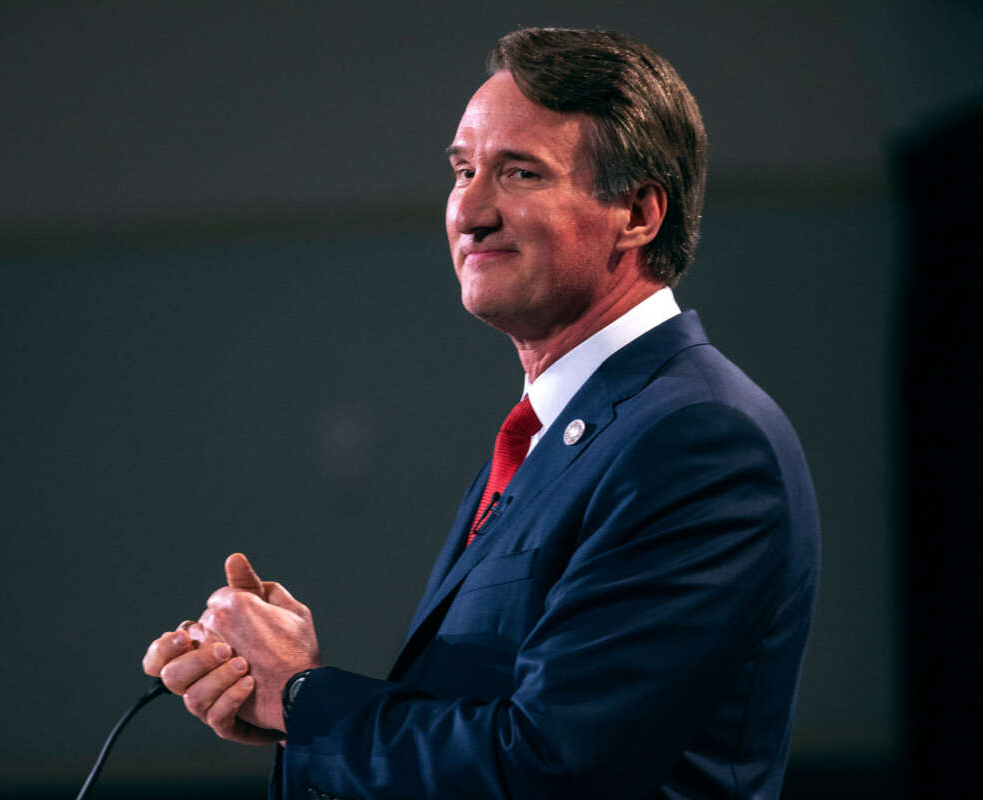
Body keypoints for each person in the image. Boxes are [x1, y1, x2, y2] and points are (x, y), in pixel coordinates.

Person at [142, 27, 819, 799]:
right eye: (463, 171)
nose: (469, 210)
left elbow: (546, 770)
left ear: (637, 213)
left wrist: (304, 696)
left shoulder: (697, 440)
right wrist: (286, 699)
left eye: (520, 173)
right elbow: (480, 723)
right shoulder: (559, 432)